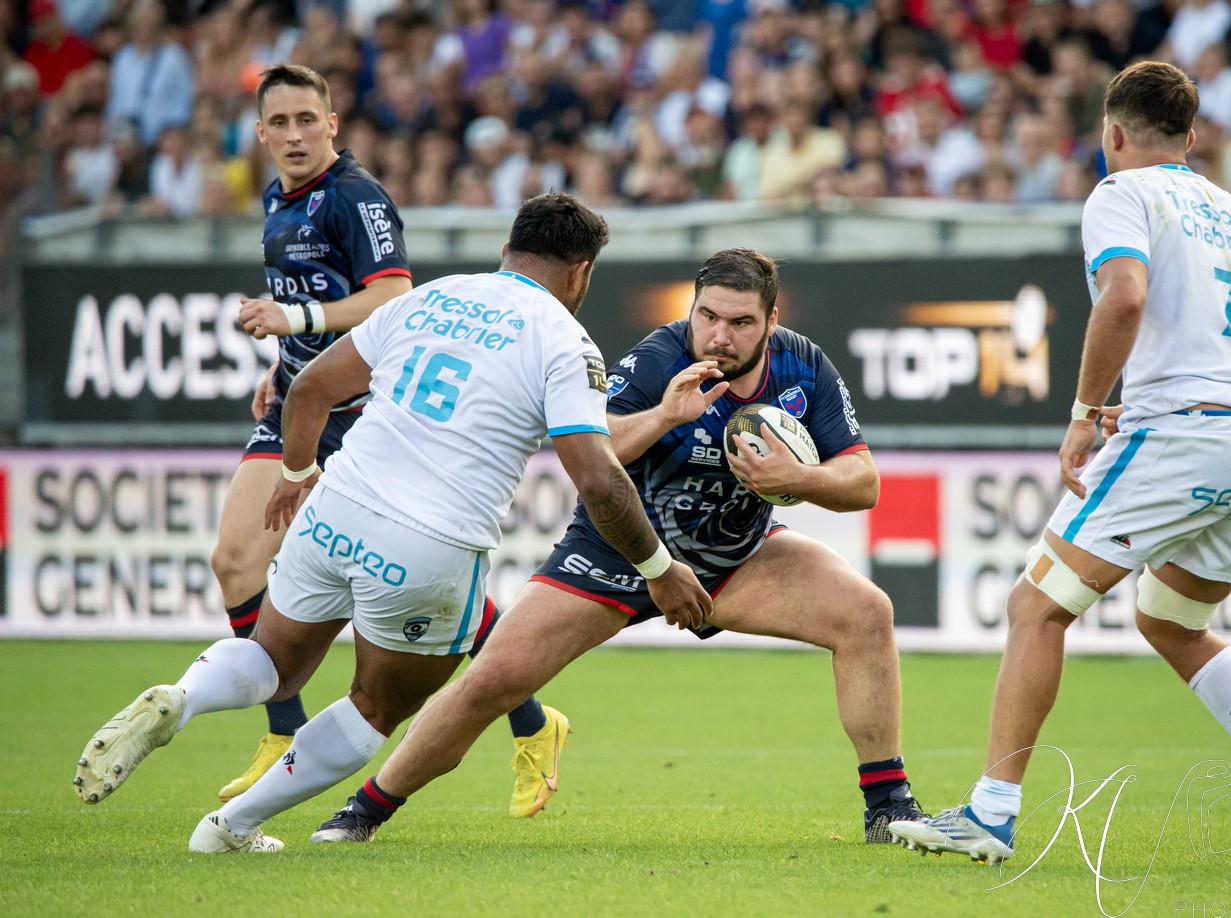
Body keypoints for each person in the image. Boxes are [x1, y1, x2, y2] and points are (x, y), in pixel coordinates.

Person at [73, 192, 711, 853]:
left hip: (336, 506)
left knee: (270, 658)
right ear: (580, 273)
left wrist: (296, 477)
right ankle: (228, 827)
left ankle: (185, 695)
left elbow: (311, 387)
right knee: (374, 707)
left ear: (505, 252)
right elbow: (598, 476)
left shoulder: (429, 298)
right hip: (429, 544)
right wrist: (658, 570)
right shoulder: (563, 340)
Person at [308, 247, 928, 847]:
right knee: (492, 680)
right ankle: (363, 811)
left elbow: (863, 481)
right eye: (707, 316)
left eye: (741, 323)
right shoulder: (659, 358)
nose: (719, 335)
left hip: (738, 556)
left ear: (771, 320)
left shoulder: (804, 366)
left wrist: (801, 479)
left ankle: (889, 807)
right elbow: (593, 447)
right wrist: (663, 416)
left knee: (866, 614)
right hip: (618, 555)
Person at [887, 61, 1231, 869]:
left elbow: (1123, 296)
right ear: (1192, 137)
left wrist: (1083, 414)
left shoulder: (1119, 193)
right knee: (1170, 623)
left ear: (1112, 134)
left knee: (1035, 607)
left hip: (1182, 435)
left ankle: (991, 814)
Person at [205, 62, 566, 819]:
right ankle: (283, 729)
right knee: (235, 557)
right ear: (261, 133)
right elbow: (311, 297)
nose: (296, 134)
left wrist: (293, 325)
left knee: (418, 590)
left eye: (309, 119)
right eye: (281, 123)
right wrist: (285, 366)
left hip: (370, 412)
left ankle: (533, 723)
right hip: (303, 400)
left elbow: (389, 296)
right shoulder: (278, 199)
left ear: (332, 124)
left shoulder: (356, 196)